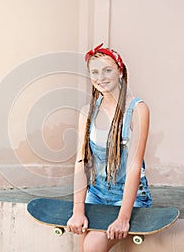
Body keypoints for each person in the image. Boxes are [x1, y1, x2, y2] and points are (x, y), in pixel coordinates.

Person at [66, 43, 152, 252]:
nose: (100, 77)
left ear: (120, 71)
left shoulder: (137, 109)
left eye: (107, 70)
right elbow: (81, 162)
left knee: (93, 246)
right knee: (85, 246)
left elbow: (133, 166)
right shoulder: (87, 112)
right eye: (94, 72)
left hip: (127, 195)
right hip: (95, 193)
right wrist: (78, 210)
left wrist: (123, 217)